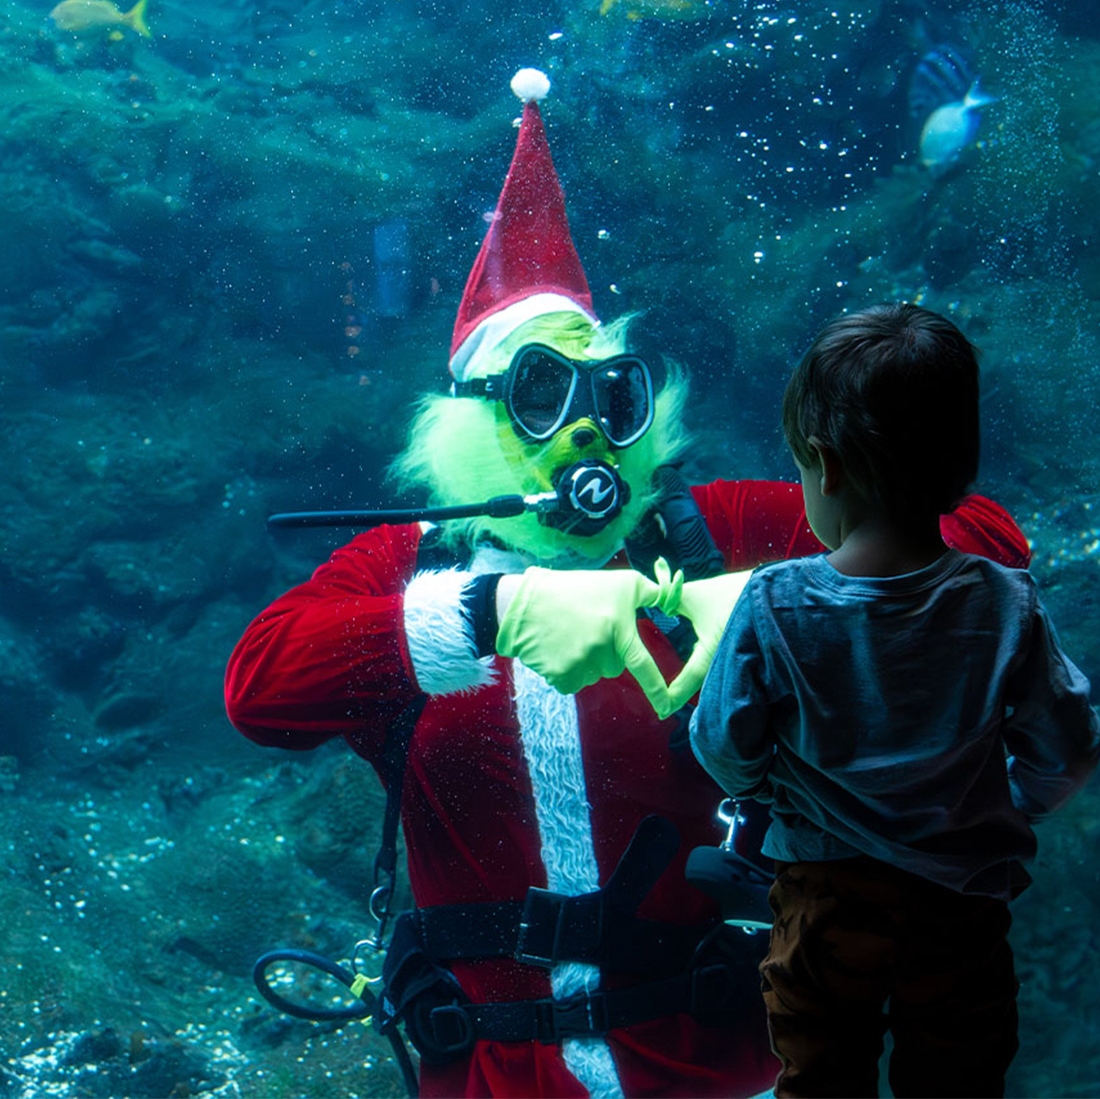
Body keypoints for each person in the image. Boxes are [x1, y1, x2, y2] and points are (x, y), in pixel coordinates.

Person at [225, 70, 1032, 1099]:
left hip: (730, 1067)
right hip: (487, 1075)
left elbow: (988, 549)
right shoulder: (407, 563)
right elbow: (257, 686)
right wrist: (490, 612)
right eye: (535, 394)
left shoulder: (713, 530)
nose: (581, 429)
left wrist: (794, 594)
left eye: (608, 393)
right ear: (468, 418)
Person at [689, 303, 1100, 1099]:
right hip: (961, 901)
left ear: (827, 466)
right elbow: (1070, 743)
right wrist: (1016, 802)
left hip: (823, 894)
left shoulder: (775, 601)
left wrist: (762, 788)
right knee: (958, 1072)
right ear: (961, 463)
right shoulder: (1004, 600)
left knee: (819, 1070)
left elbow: (721, 742)